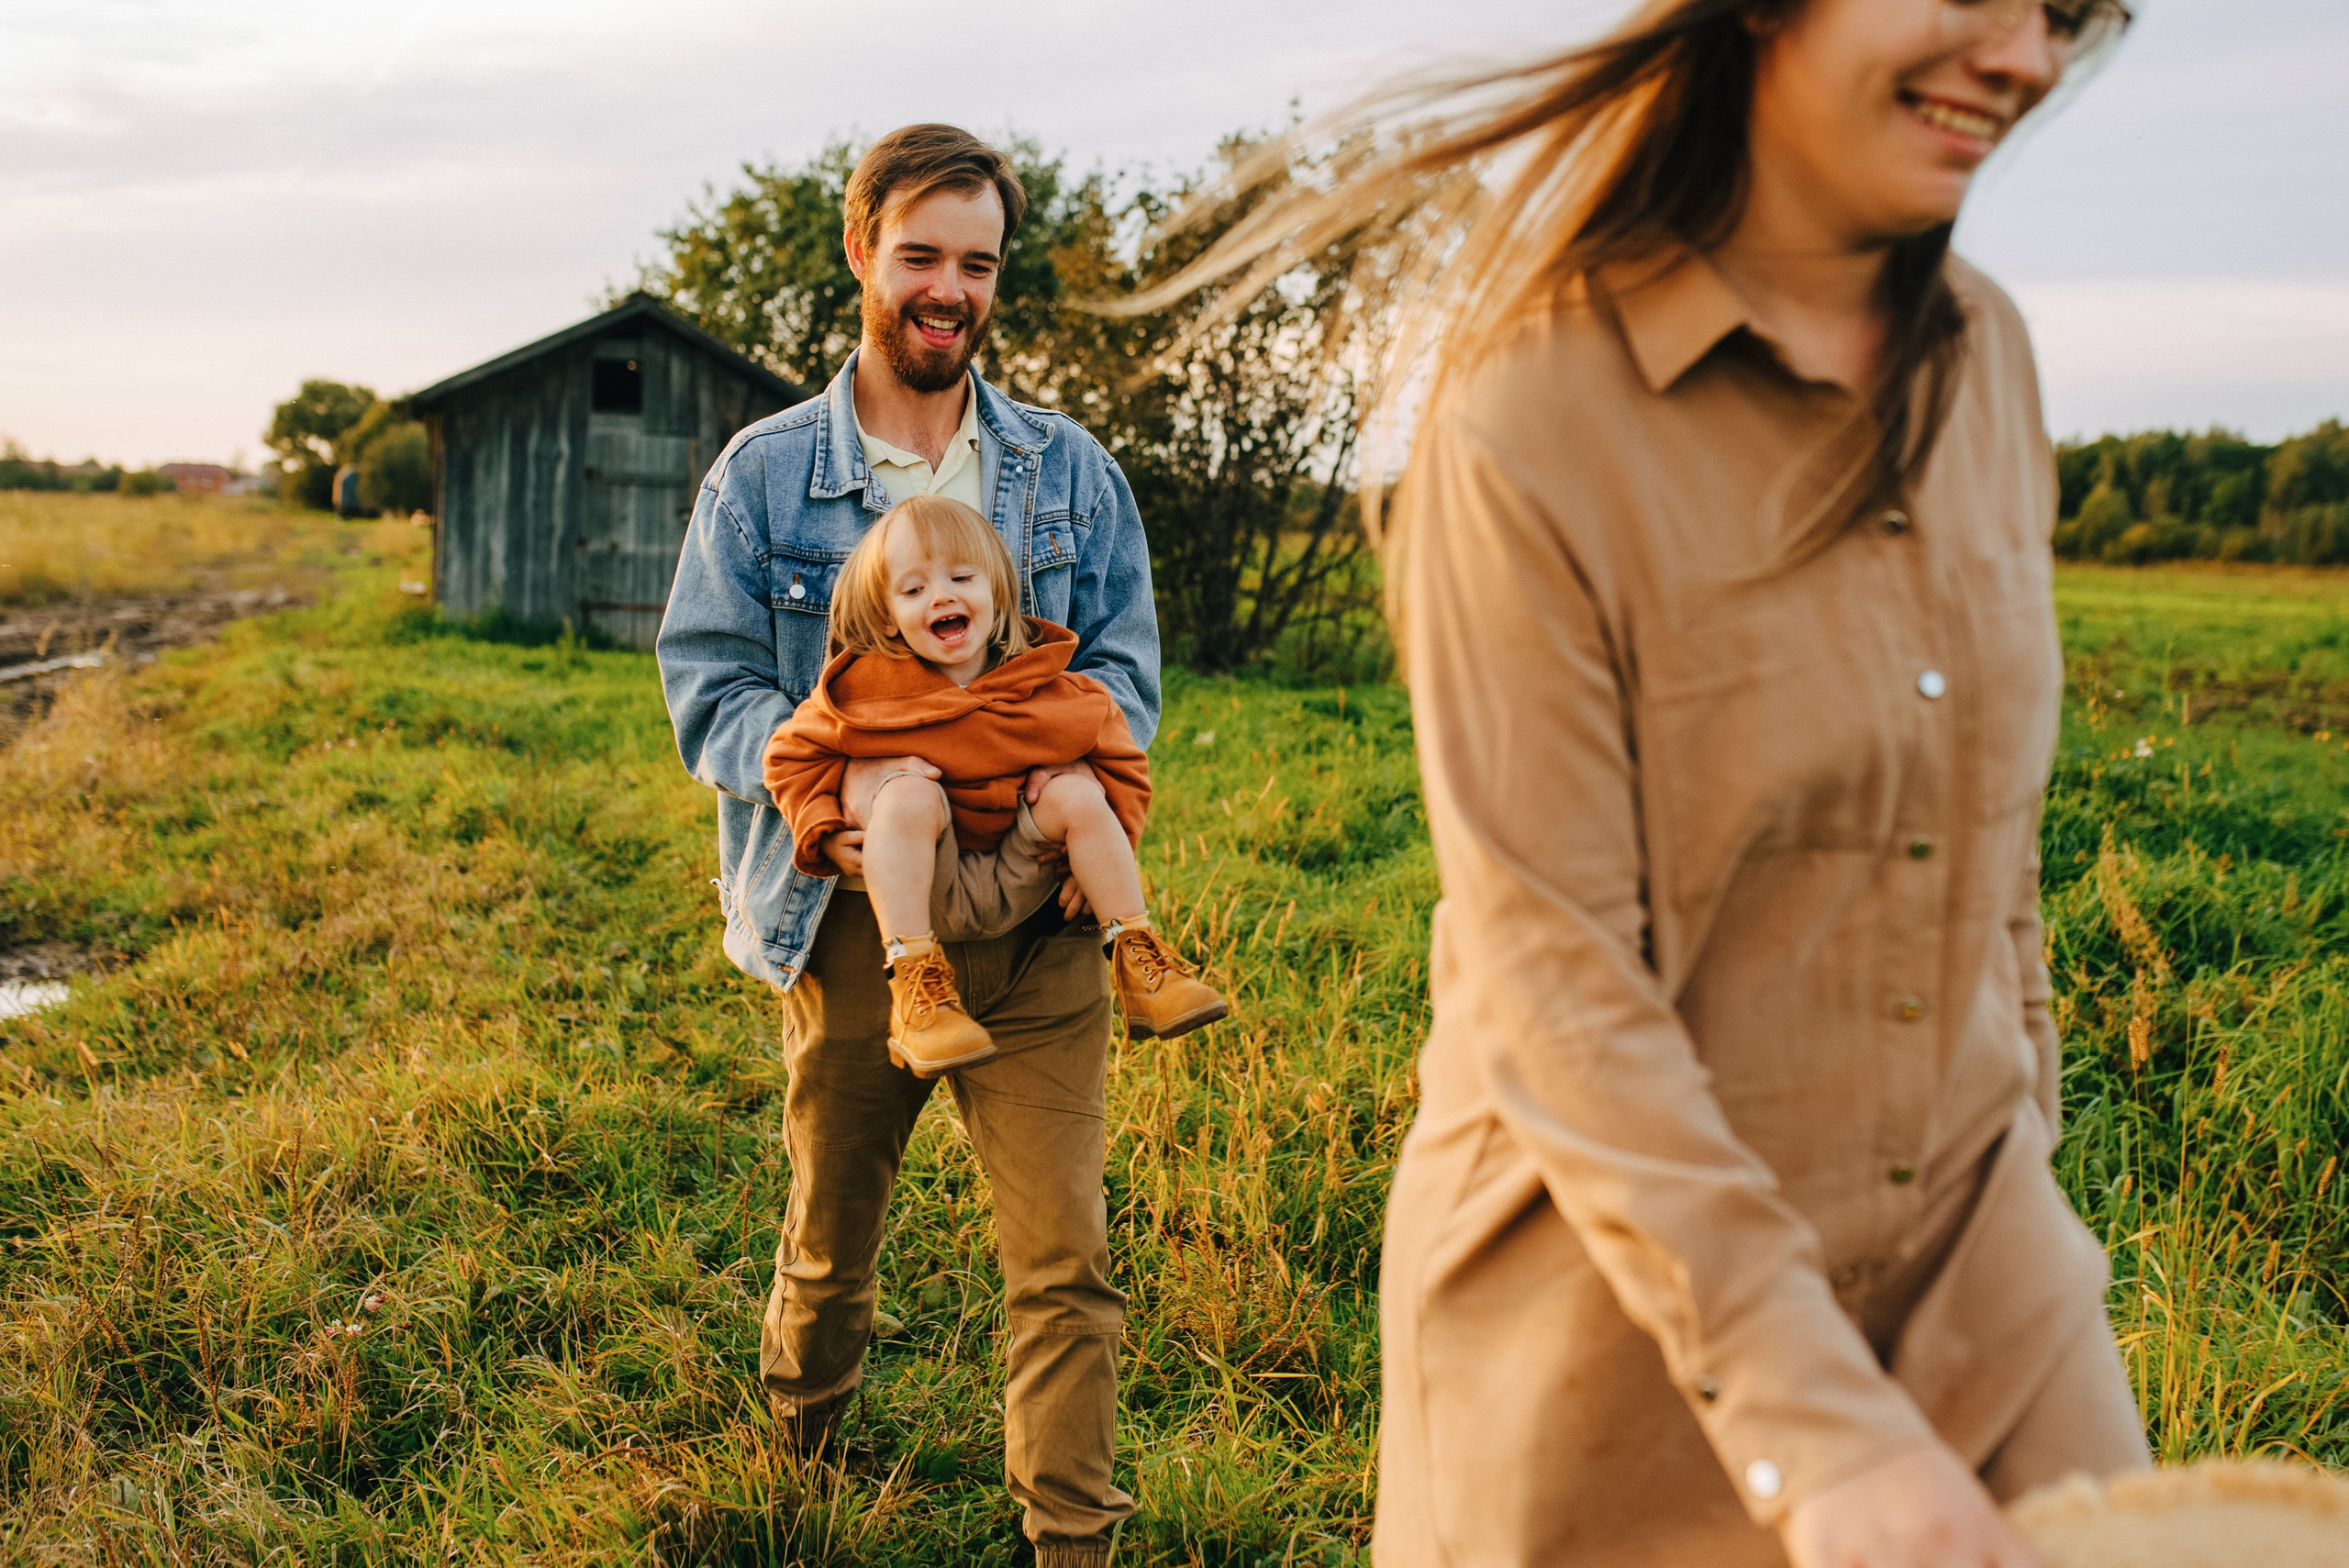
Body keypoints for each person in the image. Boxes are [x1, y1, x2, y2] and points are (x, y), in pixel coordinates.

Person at [1134, 1, 2149, 1564]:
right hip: (1610, 1326)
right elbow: (1560, 978)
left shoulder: (1991, 359)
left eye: (2067, 11)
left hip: (1985, 1277)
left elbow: (1988, 850)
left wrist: (2028, 1132)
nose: (2024, 56)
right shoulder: (1529, 415)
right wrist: (1818, 1424)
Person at [656, 123, 1158, 1568]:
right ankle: (801, 1473)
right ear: (864, 252)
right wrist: (861, 784)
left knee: (1065, 1265)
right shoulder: (762, 480)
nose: (951, 289)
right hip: (862, 931)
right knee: (833, 1239)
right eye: (923, 255)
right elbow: (706, 689)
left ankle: (1076, 1541)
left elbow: (1124, 667)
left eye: (979, 264)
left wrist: (1046, 784)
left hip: (1046, 928)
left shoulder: (1068, 476)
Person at [762, 494, 1229, 1074]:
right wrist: (823, 830)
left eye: (961, 577)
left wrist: (1108, 852)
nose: (942, 596)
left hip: (1026, 876)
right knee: (906, 793)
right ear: (886, 615)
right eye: (913, 590)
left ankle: (1137, 955)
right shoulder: (864, 694)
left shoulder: (1054, 692)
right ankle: (914, 986)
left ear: (996, 592)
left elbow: (1125, 766)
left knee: (1076, 791)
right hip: (923, 880)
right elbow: (788, 757)